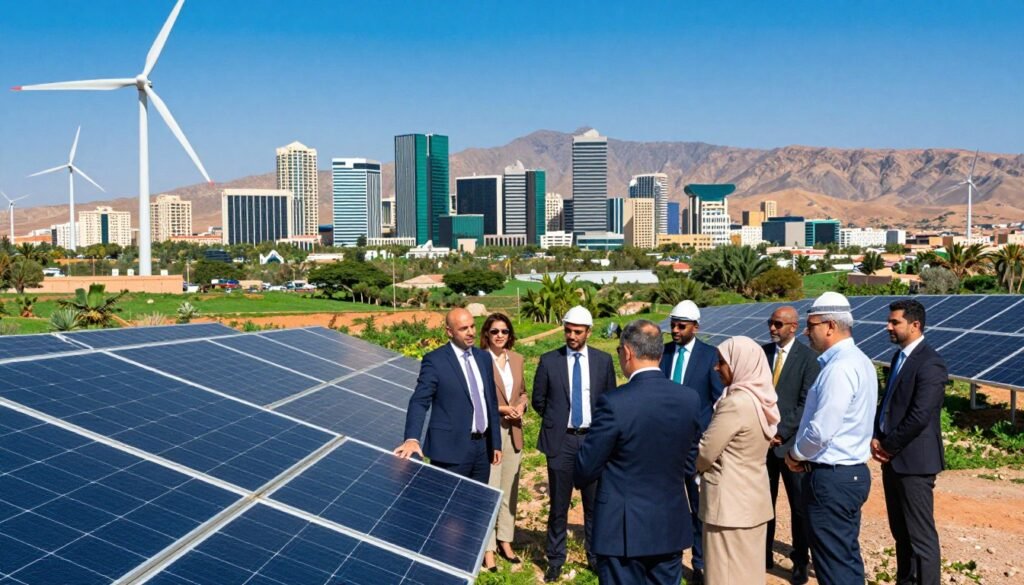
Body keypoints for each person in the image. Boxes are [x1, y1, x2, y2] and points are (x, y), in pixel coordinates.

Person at [575, 319, 701, 585]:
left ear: (628, 352)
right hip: (669, 525)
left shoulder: (614, 403)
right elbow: (690, 461)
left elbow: (586, 467)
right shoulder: (689, 399)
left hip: (623, 531)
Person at [785, 292, 877, 585]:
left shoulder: (839, 369)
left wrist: (796, 454)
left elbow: (822, 430)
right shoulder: (859, 361)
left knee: (833, 565)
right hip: (847, 475)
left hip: (831, 478)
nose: (806, 332)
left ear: (829, 327)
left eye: (810, 326)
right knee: (845, 557)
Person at [533, 305, 617, 582]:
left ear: (589, 332)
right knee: (559, 505)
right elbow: (539, 401)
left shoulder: (603, 362)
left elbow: (609, 402)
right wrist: (558, 422)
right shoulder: (549, 361)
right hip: (562, 441)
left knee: (594, 505)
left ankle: (594, 556)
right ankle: (556, 559)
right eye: (568, 330)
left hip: (593, 442)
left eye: (577, 332)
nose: (571, 336)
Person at [872, 299, 948, 585]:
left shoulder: (930, 362)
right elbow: (889, 403)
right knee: (901, 533)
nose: (887, 326)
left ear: (915, 325)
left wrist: (889, 445)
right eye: (889, 321)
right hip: (893, 459)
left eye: (895, 322)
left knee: (921, 537)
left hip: (914, 462)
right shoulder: (898, 358)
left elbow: (920, 415)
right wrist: (876, 436)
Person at [697, 336, 780, 585]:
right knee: (748, 573)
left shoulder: (735, 403)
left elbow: (705, 452)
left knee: (723, 575)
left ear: (739, 364)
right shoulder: (760, 400)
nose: (716, 368)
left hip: (728, 507)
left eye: (722, 362)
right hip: (752, 501)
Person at [395, 308, 501, 485]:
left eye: (473, 326)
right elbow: (420, 402)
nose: (471, 332)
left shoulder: (483, 357)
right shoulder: (435, 360)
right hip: (450, 451)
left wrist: (495, 443)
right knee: (449, 509)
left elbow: (491, 401)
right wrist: (412, 438)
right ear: (449, 332)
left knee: (476, 506)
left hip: (482, 449)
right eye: (463, 328)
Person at [659, 300, 724, 584]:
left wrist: (707, 439)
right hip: (663, 444)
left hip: (695, 446)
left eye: (681, 325)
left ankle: (699, 562)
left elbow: (718, 400)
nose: (674, 329)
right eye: (673, 324)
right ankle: (666, 557)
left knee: (699, 506)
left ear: (695, 327)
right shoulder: (662, 354)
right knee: (665, 503)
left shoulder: (711, 356)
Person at [763, 306, 820, 584]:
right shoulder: (763, 354)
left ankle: (800, 561)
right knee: (764, 503)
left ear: (793, 327)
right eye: (770, 323)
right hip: (763, 444)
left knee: (799, 506)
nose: (772, 328)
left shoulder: (809, 359)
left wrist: (781, 433)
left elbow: (805, 403)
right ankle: (764, 553)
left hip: (792, 446)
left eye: (778, 324)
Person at [480, 313, 528, 572]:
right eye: (495, 331)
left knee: (510, 488)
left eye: (505, 331)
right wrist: (502, 409)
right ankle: (487, 549)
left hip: (514, 431)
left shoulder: (517, 359)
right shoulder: (479, 360)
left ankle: (505, 540)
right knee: (491, 489)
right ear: (486, 333)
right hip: (492, 432)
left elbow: (523, 393)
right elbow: (477, 399)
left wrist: (520, 405)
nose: (500, 335)